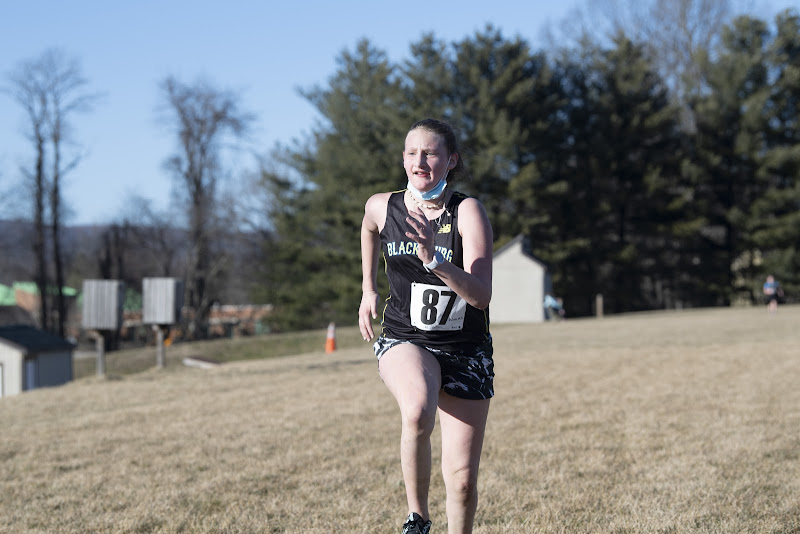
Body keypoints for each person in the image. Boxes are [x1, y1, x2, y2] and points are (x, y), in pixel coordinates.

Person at [359, 118, 494, 534]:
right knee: (417, 408)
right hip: (405, 337)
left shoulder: (467, 211)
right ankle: (417, 518)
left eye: (431, 152)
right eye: (412, 152)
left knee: (463, 482)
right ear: (403, 159)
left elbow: (481, 295)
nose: (420, 160)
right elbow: (367, 227)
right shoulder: (383, 206)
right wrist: (368, 288)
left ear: (451, 160)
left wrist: (434, 258)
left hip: (465, 349)